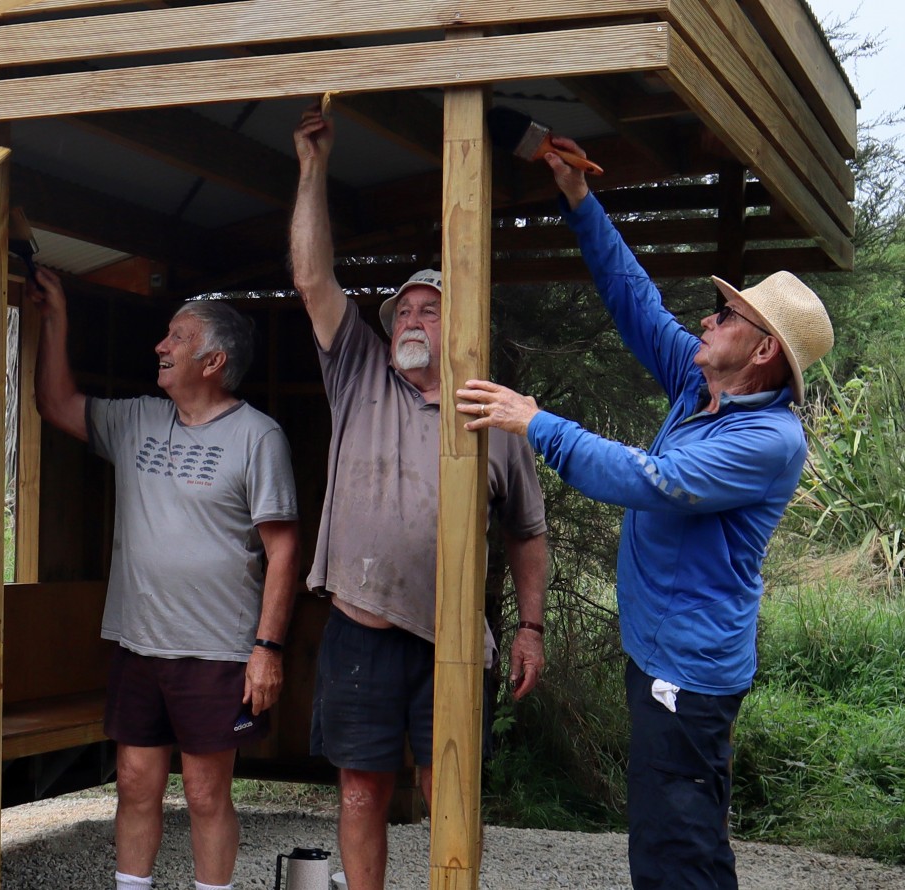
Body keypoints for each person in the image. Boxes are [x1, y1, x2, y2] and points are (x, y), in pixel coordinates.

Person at [454, 134, 833, 890]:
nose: (709, 320)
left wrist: (536, 423)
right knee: (672, 838)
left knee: (677, 853)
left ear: (762, 353)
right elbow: (635, 301)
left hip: (687, 675)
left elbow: (653, 480)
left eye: (726, 316)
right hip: (663, 658)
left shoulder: (767, 437)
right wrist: (578, 198)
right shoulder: (704, 389)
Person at [290, 106, 552, 890]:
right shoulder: (359, 371)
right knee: (362, 788)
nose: (409, 316)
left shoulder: (495, 412)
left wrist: (531, 628)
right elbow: (311, 278)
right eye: (402, 309)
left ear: (459, 324)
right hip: (360, 630)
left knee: (449, 790)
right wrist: (312, 168)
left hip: (452, 642)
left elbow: (528, 536)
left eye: (428, 309)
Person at [26, 265, 301, 890]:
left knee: (205, 795)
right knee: (134, 784)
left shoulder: (259, 437)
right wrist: (55, 317)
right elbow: (54, 403)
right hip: (139, 644)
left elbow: (283, 553)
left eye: (177, 337)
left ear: (213, 360)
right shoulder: (137, 421)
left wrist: (267, 650)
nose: (161, 346)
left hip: (218, 651)